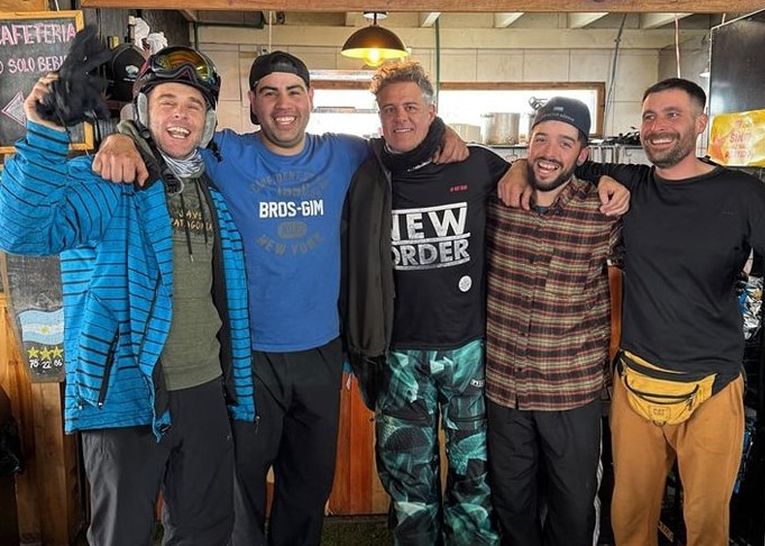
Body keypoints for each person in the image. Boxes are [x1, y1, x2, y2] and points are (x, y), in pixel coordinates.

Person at [92, 50, 468, 546]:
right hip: (249, 359)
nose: (282, 104)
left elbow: (406, 140)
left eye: (293, 91)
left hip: (322, 353)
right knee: (240, 492)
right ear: (251, 103)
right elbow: (162, 135)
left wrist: (446, 133)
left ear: (311, 100)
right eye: (268, 92)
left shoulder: (348, 152)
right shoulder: (222, 154)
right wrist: (118, 135)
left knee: (307, 490)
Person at [0, 46, 255, 545]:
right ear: (142, 111)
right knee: (122, 535)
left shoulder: (212, 195)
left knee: (206, 530)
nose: (181, 114)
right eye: (167, 101)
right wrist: (49, 133)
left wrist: (233, 387)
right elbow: (21, 230)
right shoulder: (107, 177)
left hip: (204, 390)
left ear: (205, 122)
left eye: (193, 104)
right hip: (122, 395)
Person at [499, 78, 765, 546]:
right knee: (629, 519)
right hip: (635, 384)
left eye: (672, 115)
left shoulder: (742, 194)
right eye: (649, 116)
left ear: (700, 123)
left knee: (706, 524)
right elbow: (561, 161)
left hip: (712, 384)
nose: (658, 127)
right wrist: (516, 170)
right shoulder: (631, 185)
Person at [343, 60, 514, 545]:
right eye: (389, 109)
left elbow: (529, 177)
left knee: (475, 478)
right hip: (398, 355)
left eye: (412, 107)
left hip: (469, 351)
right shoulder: (365, 169)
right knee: (407, 483)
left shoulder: (476, 163)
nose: (401, 117)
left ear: (432, 110)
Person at [485, 97, 619, 546]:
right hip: (504, 389)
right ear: (526, 144)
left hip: (570, 391)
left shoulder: (603, 211)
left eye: (565, 142)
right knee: (511, 503)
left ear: (582, 154)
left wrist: (621, 184)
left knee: (574, 507)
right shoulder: (496, 199)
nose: (549, 151)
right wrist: (509, 169)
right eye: (541, 138)